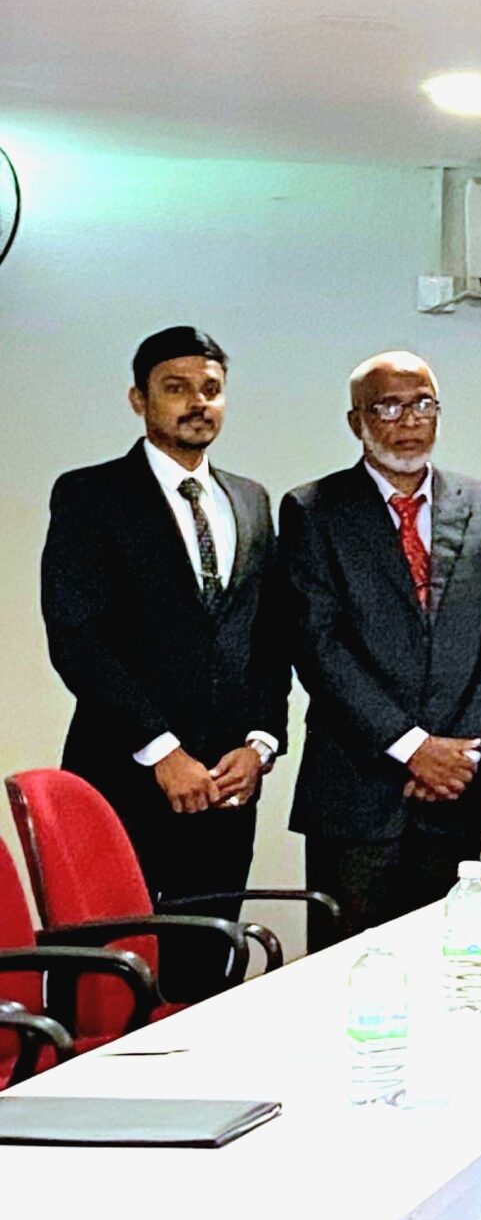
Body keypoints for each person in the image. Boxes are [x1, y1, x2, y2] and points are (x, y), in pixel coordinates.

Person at [40, 327, 289, 898]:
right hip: (122, 775)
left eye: (211, 389)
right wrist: (162, 751)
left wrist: (260, 743)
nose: (198, 402)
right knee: (111, 946)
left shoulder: (250, 499)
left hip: (226, 788)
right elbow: (77, 637)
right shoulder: (90, 495)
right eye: (176, 388)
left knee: (210, 947)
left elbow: (270, 636)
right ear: (139, 400)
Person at [281, 352, 481, 932]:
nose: (410, 420)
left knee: (452, 957)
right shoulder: (314, 509)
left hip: (454, 792)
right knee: (349, 966)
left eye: (423, 404)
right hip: (356, 794)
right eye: (388, 407)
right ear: (356, 421)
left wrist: (461, 757)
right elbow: (318, 645)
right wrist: (412, 748)